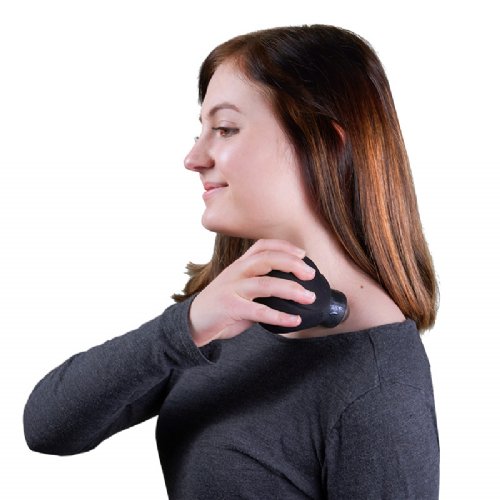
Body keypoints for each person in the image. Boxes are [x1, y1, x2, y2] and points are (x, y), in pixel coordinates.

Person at [24, 24, 440, 498]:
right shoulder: (229, 314)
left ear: (326, 142)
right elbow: (48, 429)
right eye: (201, 130)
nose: (194, 157)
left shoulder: (380, 391)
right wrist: (189, 324)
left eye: (225, 129)